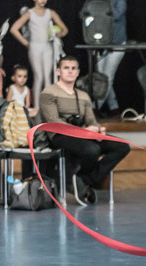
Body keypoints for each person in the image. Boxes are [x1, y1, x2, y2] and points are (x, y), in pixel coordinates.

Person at [40, 56, 130, 206]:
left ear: (78, 72)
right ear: (58, 71)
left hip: (82, 134)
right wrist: (83, 130)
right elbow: (53, 122)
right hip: (59, 135)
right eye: (66, 68)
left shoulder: (83, 95)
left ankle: (83, 180)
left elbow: (91, 121)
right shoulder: (49, 93)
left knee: (121, 146)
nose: (70, 71)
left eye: (73, 68)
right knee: (92, 150)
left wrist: (99, 130)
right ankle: (79, 182)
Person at [10, 0, 69, 109]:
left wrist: (57, 35)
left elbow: (65, 30)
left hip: (48, 47)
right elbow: (14, 29)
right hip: (34, 47)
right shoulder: (30, 13)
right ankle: (37, 107)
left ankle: (47, 107)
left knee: (48, 77)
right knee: (38, 77)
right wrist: (27, 43)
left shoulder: (50, 13)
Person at [92, 0, 126, 117]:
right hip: (99, 43)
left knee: (107, 78)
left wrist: (102, 7)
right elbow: (83, 14)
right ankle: (114, 108)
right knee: (101, 77)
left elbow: (116, 15)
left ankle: (94, 108)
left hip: (117, 43)